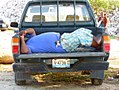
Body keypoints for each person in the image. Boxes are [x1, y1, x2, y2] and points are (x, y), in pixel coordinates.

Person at [19, 28, 102, 54]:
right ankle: (97, 41)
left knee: (81, 31)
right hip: (63, 45)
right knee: (79, 35)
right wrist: (22, 39)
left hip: (63, 38)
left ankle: (97, 44)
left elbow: (32, 30)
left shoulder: (32, 38)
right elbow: (24, 51)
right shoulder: (29, 47)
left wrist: (25, 31)